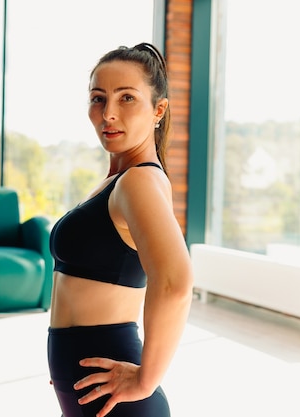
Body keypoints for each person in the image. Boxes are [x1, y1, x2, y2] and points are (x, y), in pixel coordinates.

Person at [48, 42, 194, 417]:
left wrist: (146, 380)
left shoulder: (138, 183)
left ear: (158, 110)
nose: (108, 113)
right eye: (98, 99)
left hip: (119, 399)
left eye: (126, 98)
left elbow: (175, 282)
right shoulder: (119, 180)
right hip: (89, 387)